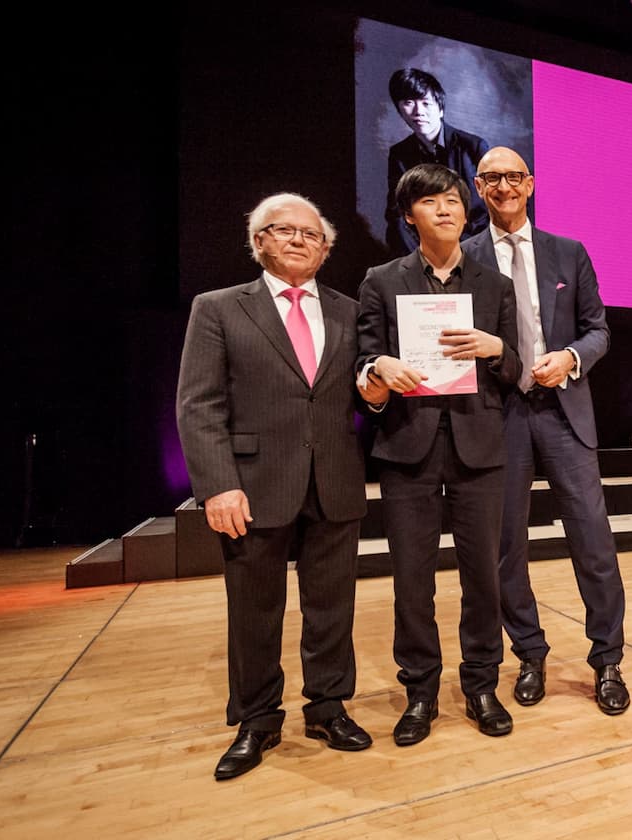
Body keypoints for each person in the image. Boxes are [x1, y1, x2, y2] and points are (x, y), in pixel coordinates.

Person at [176, 193, 388, 781]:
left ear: (326, 249)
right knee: (253, 610)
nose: (297, 239)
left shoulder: (350, 312)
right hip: (251, 486)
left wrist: (376, 393)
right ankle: (257, 719)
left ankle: (327, 706)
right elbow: (198, 404)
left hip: (335, 481)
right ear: (258, 241)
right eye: (283, 230)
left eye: (310, 234)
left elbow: (362, 395)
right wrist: (217, 485)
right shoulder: (217, 308)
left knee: (331, 608)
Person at [356, 164, 523, 744]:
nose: (446, 209)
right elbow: (365, 362)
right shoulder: (381, 280)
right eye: (431, 203)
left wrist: (497, 347)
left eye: (453, 200)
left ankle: (481, 685)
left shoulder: (494, 285)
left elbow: (515, 371)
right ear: (410, 216)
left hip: (481, 446)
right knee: (412, 581)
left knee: (483, 578)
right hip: (408, 448)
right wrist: (378, 370)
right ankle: (421, 692)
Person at [465, 147, 630, 715]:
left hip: (563, 411)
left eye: (514, 177)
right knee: (506, 549)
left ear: (530, 185)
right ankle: (529, 654)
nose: (504, 186)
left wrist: (569, 357)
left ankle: (608, 660)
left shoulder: (569, 252)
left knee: (593, 542)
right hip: (499, 416)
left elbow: (599, 330)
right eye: (492, 178)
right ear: (479, 187)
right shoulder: (466, 257)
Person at [384, 68, 490, 254]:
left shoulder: (473, 146)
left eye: (426, 103)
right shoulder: (400, 153)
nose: (418, 111)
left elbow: (487, 211)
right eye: (408, 103)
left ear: (440, 109)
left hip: (470, 242)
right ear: (399, 109)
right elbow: (396, 211)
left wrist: (457, 248)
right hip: (423, 246)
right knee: (397, 228)